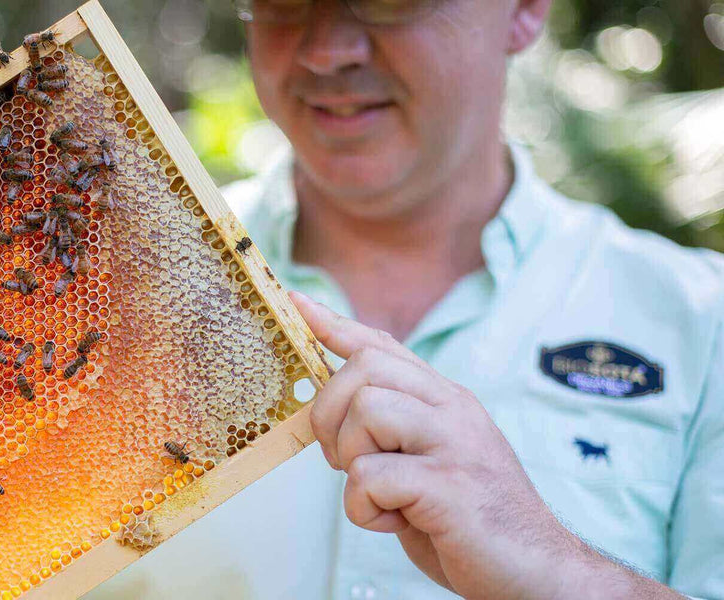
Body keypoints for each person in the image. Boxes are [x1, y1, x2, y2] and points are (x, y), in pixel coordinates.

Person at [86, 0, 724, 598]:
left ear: (527, 8)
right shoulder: (101, 293)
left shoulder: (703, 321)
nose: (328, 51)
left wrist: (555, 567)